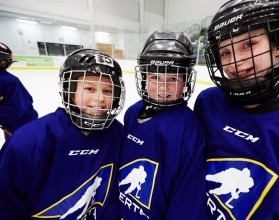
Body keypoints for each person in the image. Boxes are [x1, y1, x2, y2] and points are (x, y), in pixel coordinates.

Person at [194, 0, 279, 219]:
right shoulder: (209, 102)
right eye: (225, 52)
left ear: (278, 47)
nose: (235, 63)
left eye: (248, 45)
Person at [0, 49, 126, 219]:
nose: (100, 99)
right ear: (69, 90)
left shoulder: (119, 135)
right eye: (89, 88)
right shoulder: (28, 142)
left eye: (108, 91)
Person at [118, 31, 207, 219]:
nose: (162, 88)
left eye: (173, 79)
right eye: (154, 78)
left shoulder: (187, 129)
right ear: (143, 77)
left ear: (186, 81)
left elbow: (186, 199)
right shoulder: (133, 112)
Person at [0, 42, 38, 140]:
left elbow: (17, 108)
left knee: (23, 151)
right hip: (10, 125)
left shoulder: (8, 80)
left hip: (24, 126)